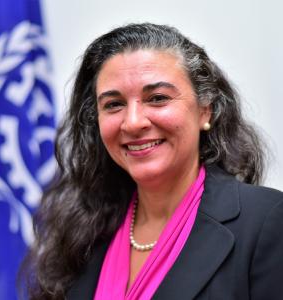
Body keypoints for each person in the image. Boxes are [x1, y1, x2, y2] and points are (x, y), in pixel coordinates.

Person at [22, 23, 283, 300]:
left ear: (204, 111)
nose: (133, 122)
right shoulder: (82, 230)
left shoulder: (267, 221)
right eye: (113, 104)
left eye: (157, 98)